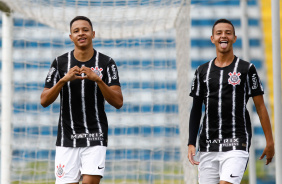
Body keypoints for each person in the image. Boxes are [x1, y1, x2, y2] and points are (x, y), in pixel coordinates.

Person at [187, 18, 275, 184]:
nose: (223, 36)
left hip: (236, 142)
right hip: (208, 144)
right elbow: (196, 109)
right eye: (219, 33)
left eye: (228, 33)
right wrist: (191, 143)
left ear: (234, 38)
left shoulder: (246, 69)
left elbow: (261, 107)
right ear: (212, 38)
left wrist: (269, 141)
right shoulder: (202, 71)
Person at [40, 16, 123, 184]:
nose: (81, 33)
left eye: (85, 30)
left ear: (93, 34)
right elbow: (44, 100)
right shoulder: (59, 63)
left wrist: (98, 80)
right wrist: (63, 80)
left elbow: (118, 101)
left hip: (95, 134)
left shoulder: (107, 63)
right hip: (66, 137)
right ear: (71, 37)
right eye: (76, 31)